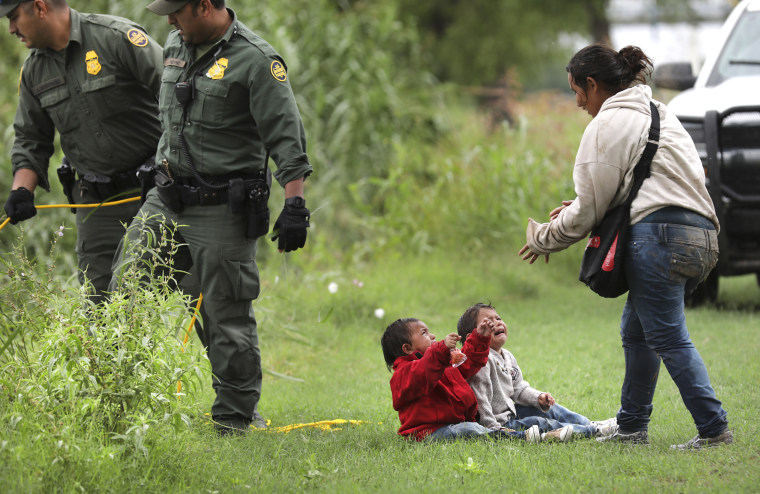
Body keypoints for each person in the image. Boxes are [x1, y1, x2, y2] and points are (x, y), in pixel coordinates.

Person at [110, 0, 313, 435]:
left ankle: (234, 418)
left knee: (226, 316)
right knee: (125, 286)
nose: (168, 21)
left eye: (176, 12)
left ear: (205, 5)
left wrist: (295, 204)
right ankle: (116, 401)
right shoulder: (176, 43)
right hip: (166, 199)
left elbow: (286, 135)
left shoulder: (257, 60)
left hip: (223, 208)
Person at [518, 44, 732, 450]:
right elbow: (639, 188)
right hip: (702, 236)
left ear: (593, 85)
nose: (578, 102)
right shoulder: (660, 113)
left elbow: (587, 209)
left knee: (668, 336)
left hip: (660, 238)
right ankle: (632, 428)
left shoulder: (608, 123)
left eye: (577, 91)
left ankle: (714, 428)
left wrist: (543, 235)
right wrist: (591, 210)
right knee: (637, 331)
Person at [1, 0, 164, 304]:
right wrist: (21, 191)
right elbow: (30, 140)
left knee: (200, 293)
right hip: (96, 201)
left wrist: (171, 159)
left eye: (13, 17)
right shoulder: (34, 71)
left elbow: (178, 93)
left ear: (39, 7)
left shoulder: (115, 37)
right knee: (101, 310)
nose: (11, 29)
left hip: (158, 190)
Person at [457, 303, 617, 442]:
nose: (496, 323)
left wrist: (537, 397)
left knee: (552, 410)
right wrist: (492, 429)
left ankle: (590, 423)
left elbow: (518, 388)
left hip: (512, 412)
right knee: (540, 423)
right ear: (473, 337)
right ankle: (591, 432)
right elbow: (480, 397)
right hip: (501, 423)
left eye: (498, 318)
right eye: (488, 323)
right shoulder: (480, 362)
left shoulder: (507, 355)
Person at [381, 316, 540, 442]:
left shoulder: (441, 363)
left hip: (456, 424)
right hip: (428, 432)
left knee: (471, 428)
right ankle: (520, 437)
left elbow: (468, 364)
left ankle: (544, 429)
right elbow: (424, 371)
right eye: (424, 333)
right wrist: (441, 349)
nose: (432, 335)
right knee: (470, 430)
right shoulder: (404, 374)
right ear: (407, 348)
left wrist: (480, 338)